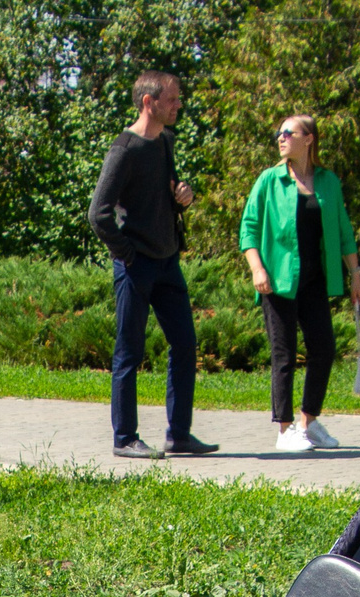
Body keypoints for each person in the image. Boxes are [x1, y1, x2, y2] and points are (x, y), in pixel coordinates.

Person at [87, 71, 216, 460]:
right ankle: (124, 437)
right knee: (129, 350)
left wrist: (182, 197)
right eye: (173, 99)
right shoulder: (124, 149)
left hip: (167, 262)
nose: (179, 105)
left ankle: (179, 435)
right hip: (136, 265)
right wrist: (126, 253)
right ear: (149, 102)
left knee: (185, 343)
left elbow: (163, 195)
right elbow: (98, 213)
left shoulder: (165, 143)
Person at [238, 113, 360, 454]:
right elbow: (248, 228)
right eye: (278, 133)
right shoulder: (269, 180)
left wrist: (355, 274)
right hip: (277, 280)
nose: (280, 138)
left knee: (323, 349)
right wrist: (257, 269)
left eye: (288, 133)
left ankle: (308, 422)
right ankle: (284, 430)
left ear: (308, 139)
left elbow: (343, 229)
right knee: (284, 353)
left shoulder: (327, 181)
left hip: (314, 280)